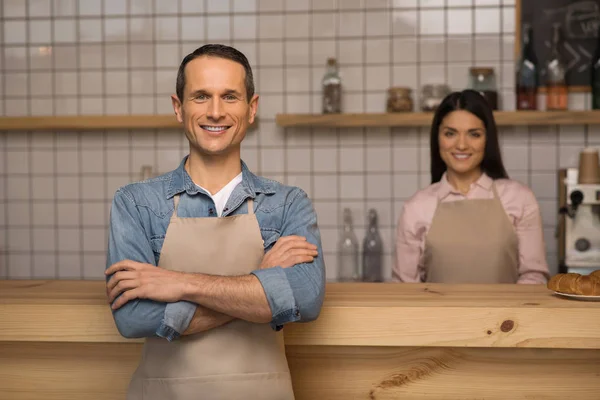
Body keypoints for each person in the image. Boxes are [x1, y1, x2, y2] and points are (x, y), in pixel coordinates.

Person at [104, 44, 326, 400]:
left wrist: (178, 283)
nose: (216, 111)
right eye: (201, 96)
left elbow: (306, 300)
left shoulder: (286, 204)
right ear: (179, 108)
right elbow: (132, 318)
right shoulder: (135, 203)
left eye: (230, 96)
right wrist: (260, 285)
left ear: (251, 109)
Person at [393, 90, 550, 284]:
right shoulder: (416, 208)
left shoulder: (519, 198)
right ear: (437, 138)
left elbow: (533, 276)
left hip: (506, 315)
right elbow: (405, 288)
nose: (461, 145)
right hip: (438, 315)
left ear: (487, 139)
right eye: (450, 133)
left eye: (474, 134)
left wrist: (508, 314)